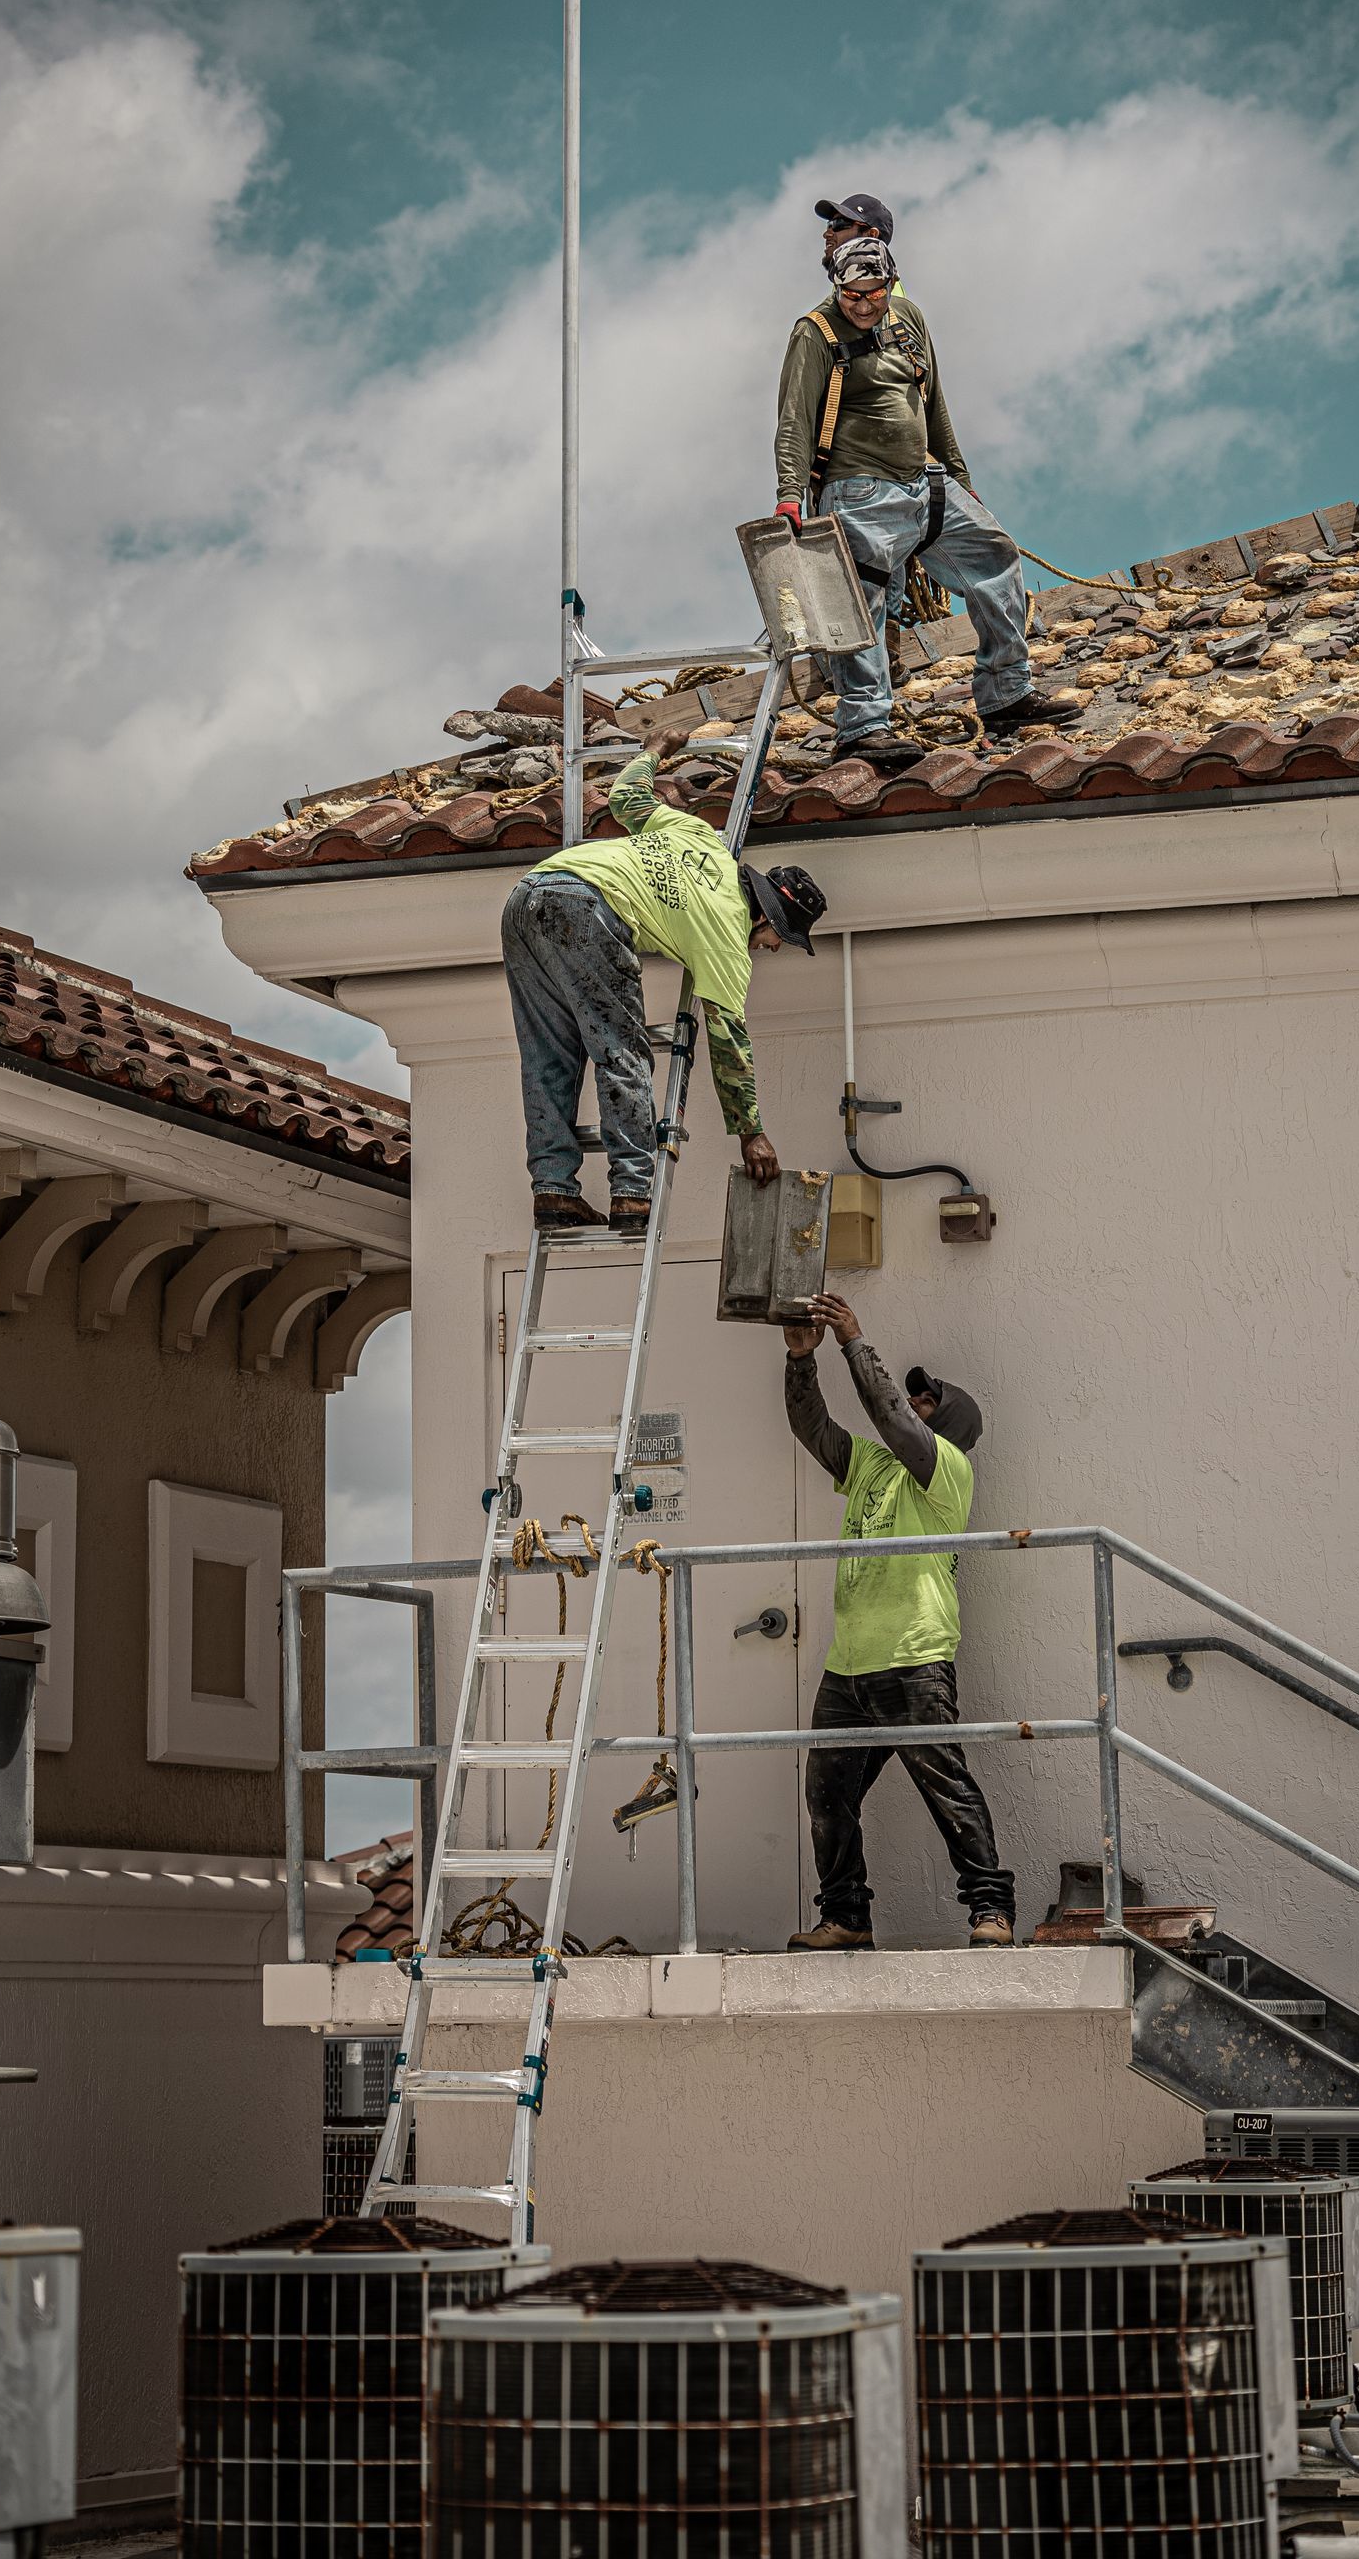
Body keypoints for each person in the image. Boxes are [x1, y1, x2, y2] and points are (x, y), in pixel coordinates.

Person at [773, 192, 1081, 773]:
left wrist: (959, 477)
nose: (863, 305)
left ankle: (1007, 692)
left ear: (890, 281)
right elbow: (793, 420)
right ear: (838, 288)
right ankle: (864, 727)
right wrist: (791, 496)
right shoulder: (813, 333)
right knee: (860, 606)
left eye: (873, 294)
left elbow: (932, 400)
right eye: (852, 296)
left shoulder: (908, 319)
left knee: (995, 557)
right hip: (859, 491)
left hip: (926, 484)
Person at [501, 741, 825, 1232]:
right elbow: (730, 1047)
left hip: (529, 894)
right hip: (588, 907)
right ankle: (632, 1193)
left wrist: (653, 752)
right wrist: (751, 1134)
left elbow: (626, 799)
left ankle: (554, 1190)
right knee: (621, 1052)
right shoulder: (728, 940)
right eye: (781, 937)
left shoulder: (698, 834)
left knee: (548, 1055)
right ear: (768, 915)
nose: (774, 949)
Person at [781, 1288, 1016, 1950]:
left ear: (950, 1426)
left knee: (946, 1788)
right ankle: (846, 1917)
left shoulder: (947, 1471)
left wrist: (855, 1341)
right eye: (915, 1397)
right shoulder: (873, 1467)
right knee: (828, 1798)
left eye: (928, 1401)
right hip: (848, 1665)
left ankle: (991, 1909)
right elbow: (813, 1428)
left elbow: (886, 1414)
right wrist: (802, 1360)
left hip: (914, 1658)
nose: (914, 1403)